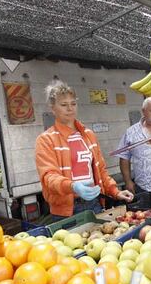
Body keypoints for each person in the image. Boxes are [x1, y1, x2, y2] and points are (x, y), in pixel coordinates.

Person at [35, 80, 133, 220]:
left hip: (94, 204)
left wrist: (115, 192)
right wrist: (73, 186)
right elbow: (49, 177)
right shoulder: (46, 140)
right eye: (64, 105)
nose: (70, 109)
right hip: (66, 211)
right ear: (52, 108)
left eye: (73, 104)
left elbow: (101, 172)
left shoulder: (88, 135)